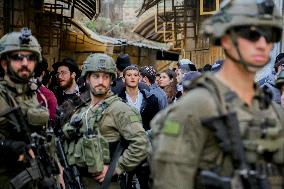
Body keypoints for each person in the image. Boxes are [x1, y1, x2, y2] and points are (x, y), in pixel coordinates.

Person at [151, 0, 284, 189]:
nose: (263, 43)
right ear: (227, 39)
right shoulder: (193, 109)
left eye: (269, 35)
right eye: (252, 34)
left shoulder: (274, 112)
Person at [62, 53, 149, 188]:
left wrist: (117, 168)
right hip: (76, 181)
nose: (101, 81)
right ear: (88, 79)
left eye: (105, 77)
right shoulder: (81, 109)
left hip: (106, 184)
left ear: (111, 80)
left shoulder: (120, 109)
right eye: (96, 76)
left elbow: (142, 144)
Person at [0, 28, 58, 188]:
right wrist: (8, 146)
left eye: (30, 58)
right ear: (5, 63)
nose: (25, 63)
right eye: (18, 57)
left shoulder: (33, 96)